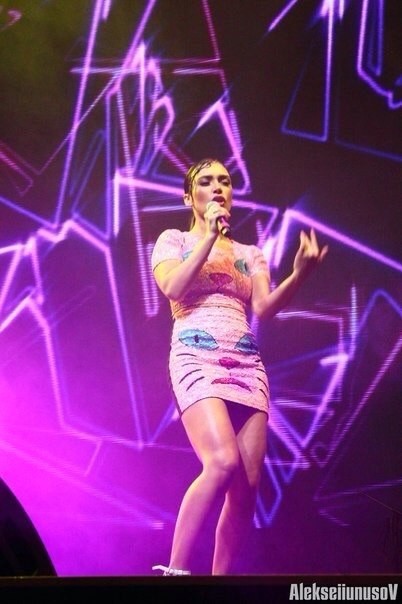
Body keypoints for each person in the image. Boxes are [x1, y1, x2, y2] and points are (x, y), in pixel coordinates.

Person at [150, 158, 328, 576]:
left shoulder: (250, 254)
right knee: (222, 461)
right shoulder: (174, 240)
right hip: (196, 354)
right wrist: (210, 237)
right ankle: (175, 571)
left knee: (246, 488)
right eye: (206, 181)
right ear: (189, 197)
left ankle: (220, 583)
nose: (218, 187)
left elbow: (264, 308)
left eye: (225, 181)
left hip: (247, 364)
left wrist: (299, 274)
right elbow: (173, 287)